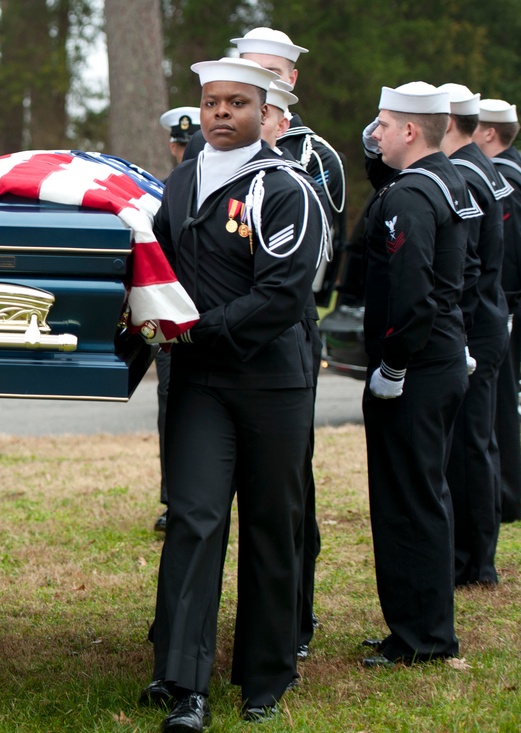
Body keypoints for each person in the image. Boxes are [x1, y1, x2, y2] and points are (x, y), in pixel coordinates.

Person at [141, 57, 325, 729]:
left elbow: (281, 295)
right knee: (193, 518)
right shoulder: (181, 182)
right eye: (212, 102)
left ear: (264, 112)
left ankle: (266, 673)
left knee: (275, 524)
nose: (221, 113)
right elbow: (155, 270)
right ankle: (183, 681)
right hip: (198, 384)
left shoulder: (285, 187)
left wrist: (195, 332)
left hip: (272, 381)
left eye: (236, 103)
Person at [232, 26, 343, 661]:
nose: (258, 78)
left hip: (288, 327)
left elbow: (319, 252)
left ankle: (292, 617)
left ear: (291, 81)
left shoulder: (314, 155)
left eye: (270, 71)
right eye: (248, 68)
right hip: (224, 328)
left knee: (285, 485)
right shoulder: (215, 142)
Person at [359, 81, 477, 668]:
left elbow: (412, 291)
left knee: (408, 500)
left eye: (382, 124)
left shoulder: (411, 195)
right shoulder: (447, 180)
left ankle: (420, 638)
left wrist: (392, 366)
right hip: (441, 357)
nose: (374, 133)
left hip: (416, 368)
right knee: (424, 493)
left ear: (410, 130)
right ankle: (420, 627)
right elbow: (473, 271)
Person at [439, 84, 511, 586]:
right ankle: (475, 555)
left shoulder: (462, 173)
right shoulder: (481, 165)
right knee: (477, 443)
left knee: (467, 447)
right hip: (486, 318)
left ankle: (471, 561)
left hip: (472, 326)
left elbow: (464, 266)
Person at [472, 99, 521, 523]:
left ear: (489, 133)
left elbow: (511, 255)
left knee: (498, 409)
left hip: (505, 306)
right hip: (506, 306)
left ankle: (505, 497)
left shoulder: (505, 177)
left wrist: (507, 307)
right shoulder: (511, 169)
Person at [151, 106, 201, 535]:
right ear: (173, 146)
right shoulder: (161, 193)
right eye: (182, 144)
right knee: (172, 407)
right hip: (174, 319)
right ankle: (175, 497)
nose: (187, 150)